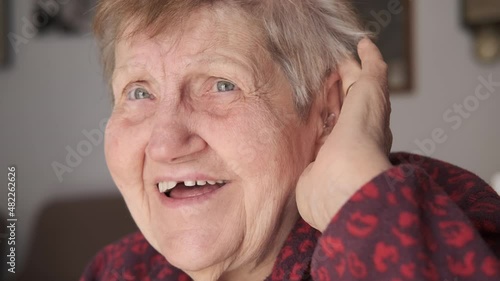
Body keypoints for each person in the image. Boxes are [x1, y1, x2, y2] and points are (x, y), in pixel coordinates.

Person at [81, 0, 500, 280]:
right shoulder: (120, 270)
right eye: (139, 91)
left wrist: (352, 193)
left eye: (222, 85)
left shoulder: (443, 226)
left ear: (327, 111)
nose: (165, 143)